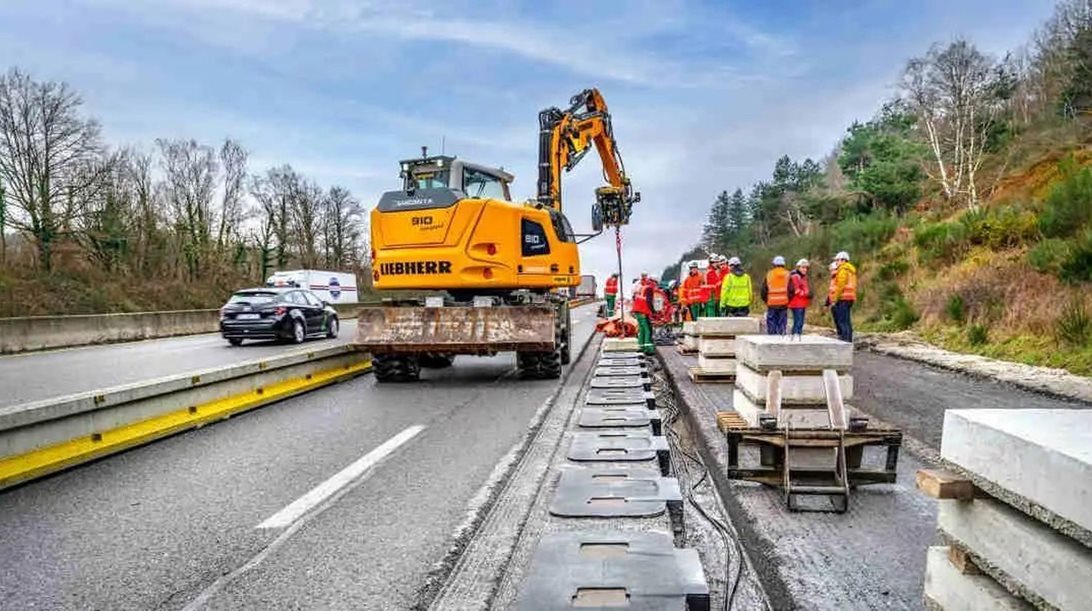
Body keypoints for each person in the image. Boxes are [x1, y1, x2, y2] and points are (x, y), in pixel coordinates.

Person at [829, 251, 857, 343]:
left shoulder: (843, 270)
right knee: (847, 320)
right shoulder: (851, 270)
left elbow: (840, 285)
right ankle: (848, 340)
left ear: (843, 260)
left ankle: (845, 341)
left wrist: (835, 299)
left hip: (843, 298)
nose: (836, 262)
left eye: (837, 260)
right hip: (850, 298)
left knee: (842, 321)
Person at [761, 255, 791, 335]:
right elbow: (791, 290)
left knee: (771, 322)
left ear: (774, 264)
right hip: (784, 303)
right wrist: (788, 300)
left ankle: (772, 339)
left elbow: (764, 290)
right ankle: (781, 338)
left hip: (772, 303)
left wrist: (766, 300)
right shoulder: (788, 274)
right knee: (782, 322)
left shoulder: (769, 274)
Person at [631, 273, 656, 355]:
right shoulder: (649, 288)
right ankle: (648, 349)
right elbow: (649, 302)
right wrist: (653, 311)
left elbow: (635, 297)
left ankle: (641, 346)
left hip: (637, 311)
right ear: (654, 282)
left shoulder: (643, 287)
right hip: (642, 311)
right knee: (647, 330)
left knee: (642, 329)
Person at [788, 259, 811, 336]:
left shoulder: (803, 277)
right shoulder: (795, 276)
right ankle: (795, 337)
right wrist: (806, 294)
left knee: (800, 322)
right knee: (798, 322)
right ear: (798, 267)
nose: (805, 269)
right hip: (796, 303)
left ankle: (797, 337)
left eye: (806, 268)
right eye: (803, 267)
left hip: (802, 302)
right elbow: (796, 290)